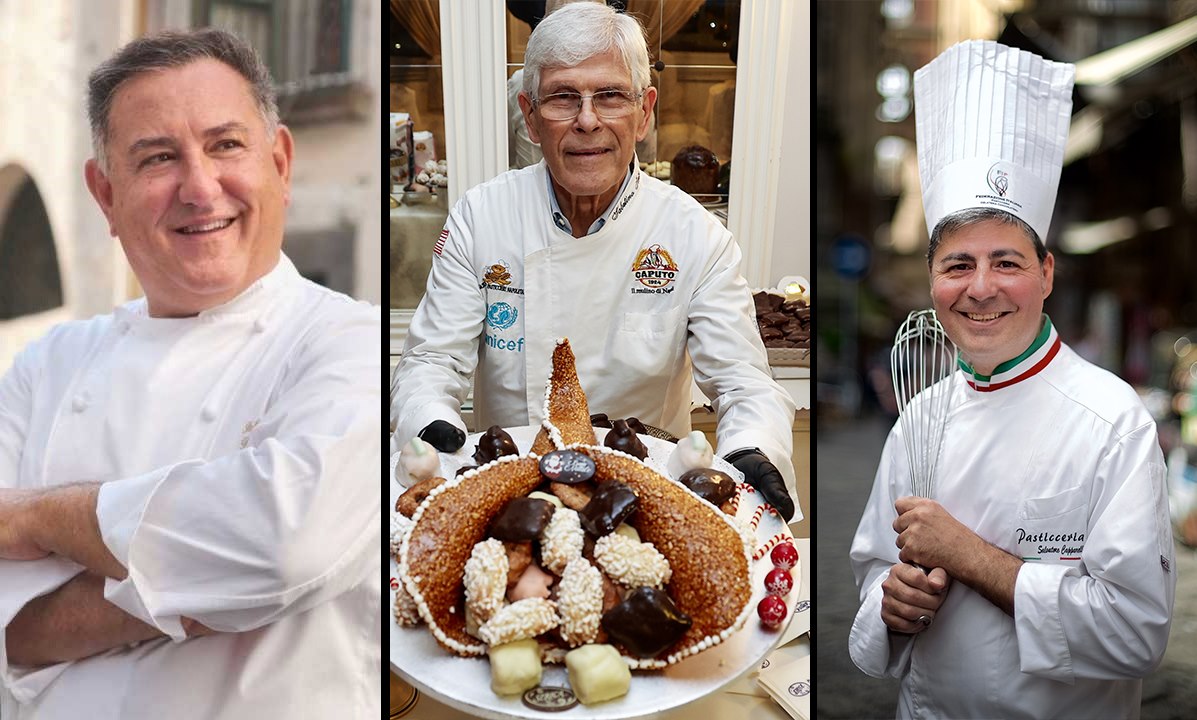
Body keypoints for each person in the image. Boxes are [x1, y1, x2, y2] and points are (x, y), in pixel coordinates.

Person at [0, 29, 380, 718]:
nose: (200, 188)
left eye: (225, 145)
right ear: (105, 194)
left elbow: (283, 546)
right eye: (157, 158)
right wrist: (207, 584)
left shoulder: (354, 344)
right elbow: (6, 632)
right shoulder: (43, 367)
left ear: (282, 163)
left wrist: (34, 518)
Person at [848, 41, 1175, 718]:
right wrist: (891, 601)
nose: (981, 289)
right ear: (933, 281)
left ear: (1046, 273)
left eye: (1006, 262)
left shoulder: (1111, 419)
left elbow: (1135, 634)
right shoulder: (919, 415)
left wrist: (966, 554)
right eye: (958, 265)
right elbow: (874, 573)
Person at [392, 2, 798, 519]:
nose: (588, 121)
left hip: (646, 497)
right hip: (513, 491)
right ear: (531, 117)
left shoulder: (697, 236)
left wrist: (751, 447)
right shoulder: (481, 216)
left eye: (609, 96)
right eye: (563, 98)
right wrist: (430, 424)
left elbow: (742, 381)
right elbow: (431, 361)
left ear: (645, 111)